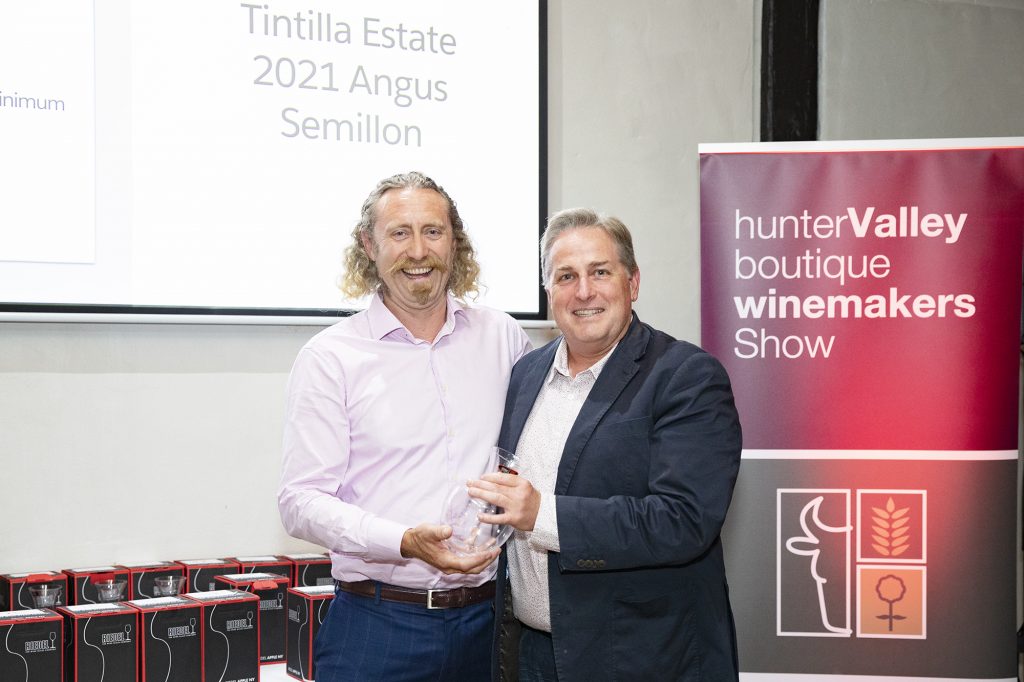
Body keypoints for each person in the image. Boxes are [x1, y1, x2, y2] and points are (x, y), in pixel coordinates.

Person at [468, 208, 742, 681]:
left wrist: (541, 515)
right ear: (549, 292)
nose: (583, 292)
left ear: (632, 283)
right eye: (566, 276)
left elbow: (684, 520)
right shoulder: (526, 374)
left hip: (642, 661)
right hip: (530, 655)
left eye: (600, 272)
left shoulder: (686, 376)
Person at [278, 171, 531, 681]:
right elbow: (300, 501)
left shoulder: (502, 337)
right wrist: (402, 540)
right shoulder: (331, 357)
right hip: (377, 625)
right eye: (400, 233)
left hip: (489, 623)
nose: (418, 251)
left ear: (454, 242)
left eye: (433, 231)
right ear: (369, 246)